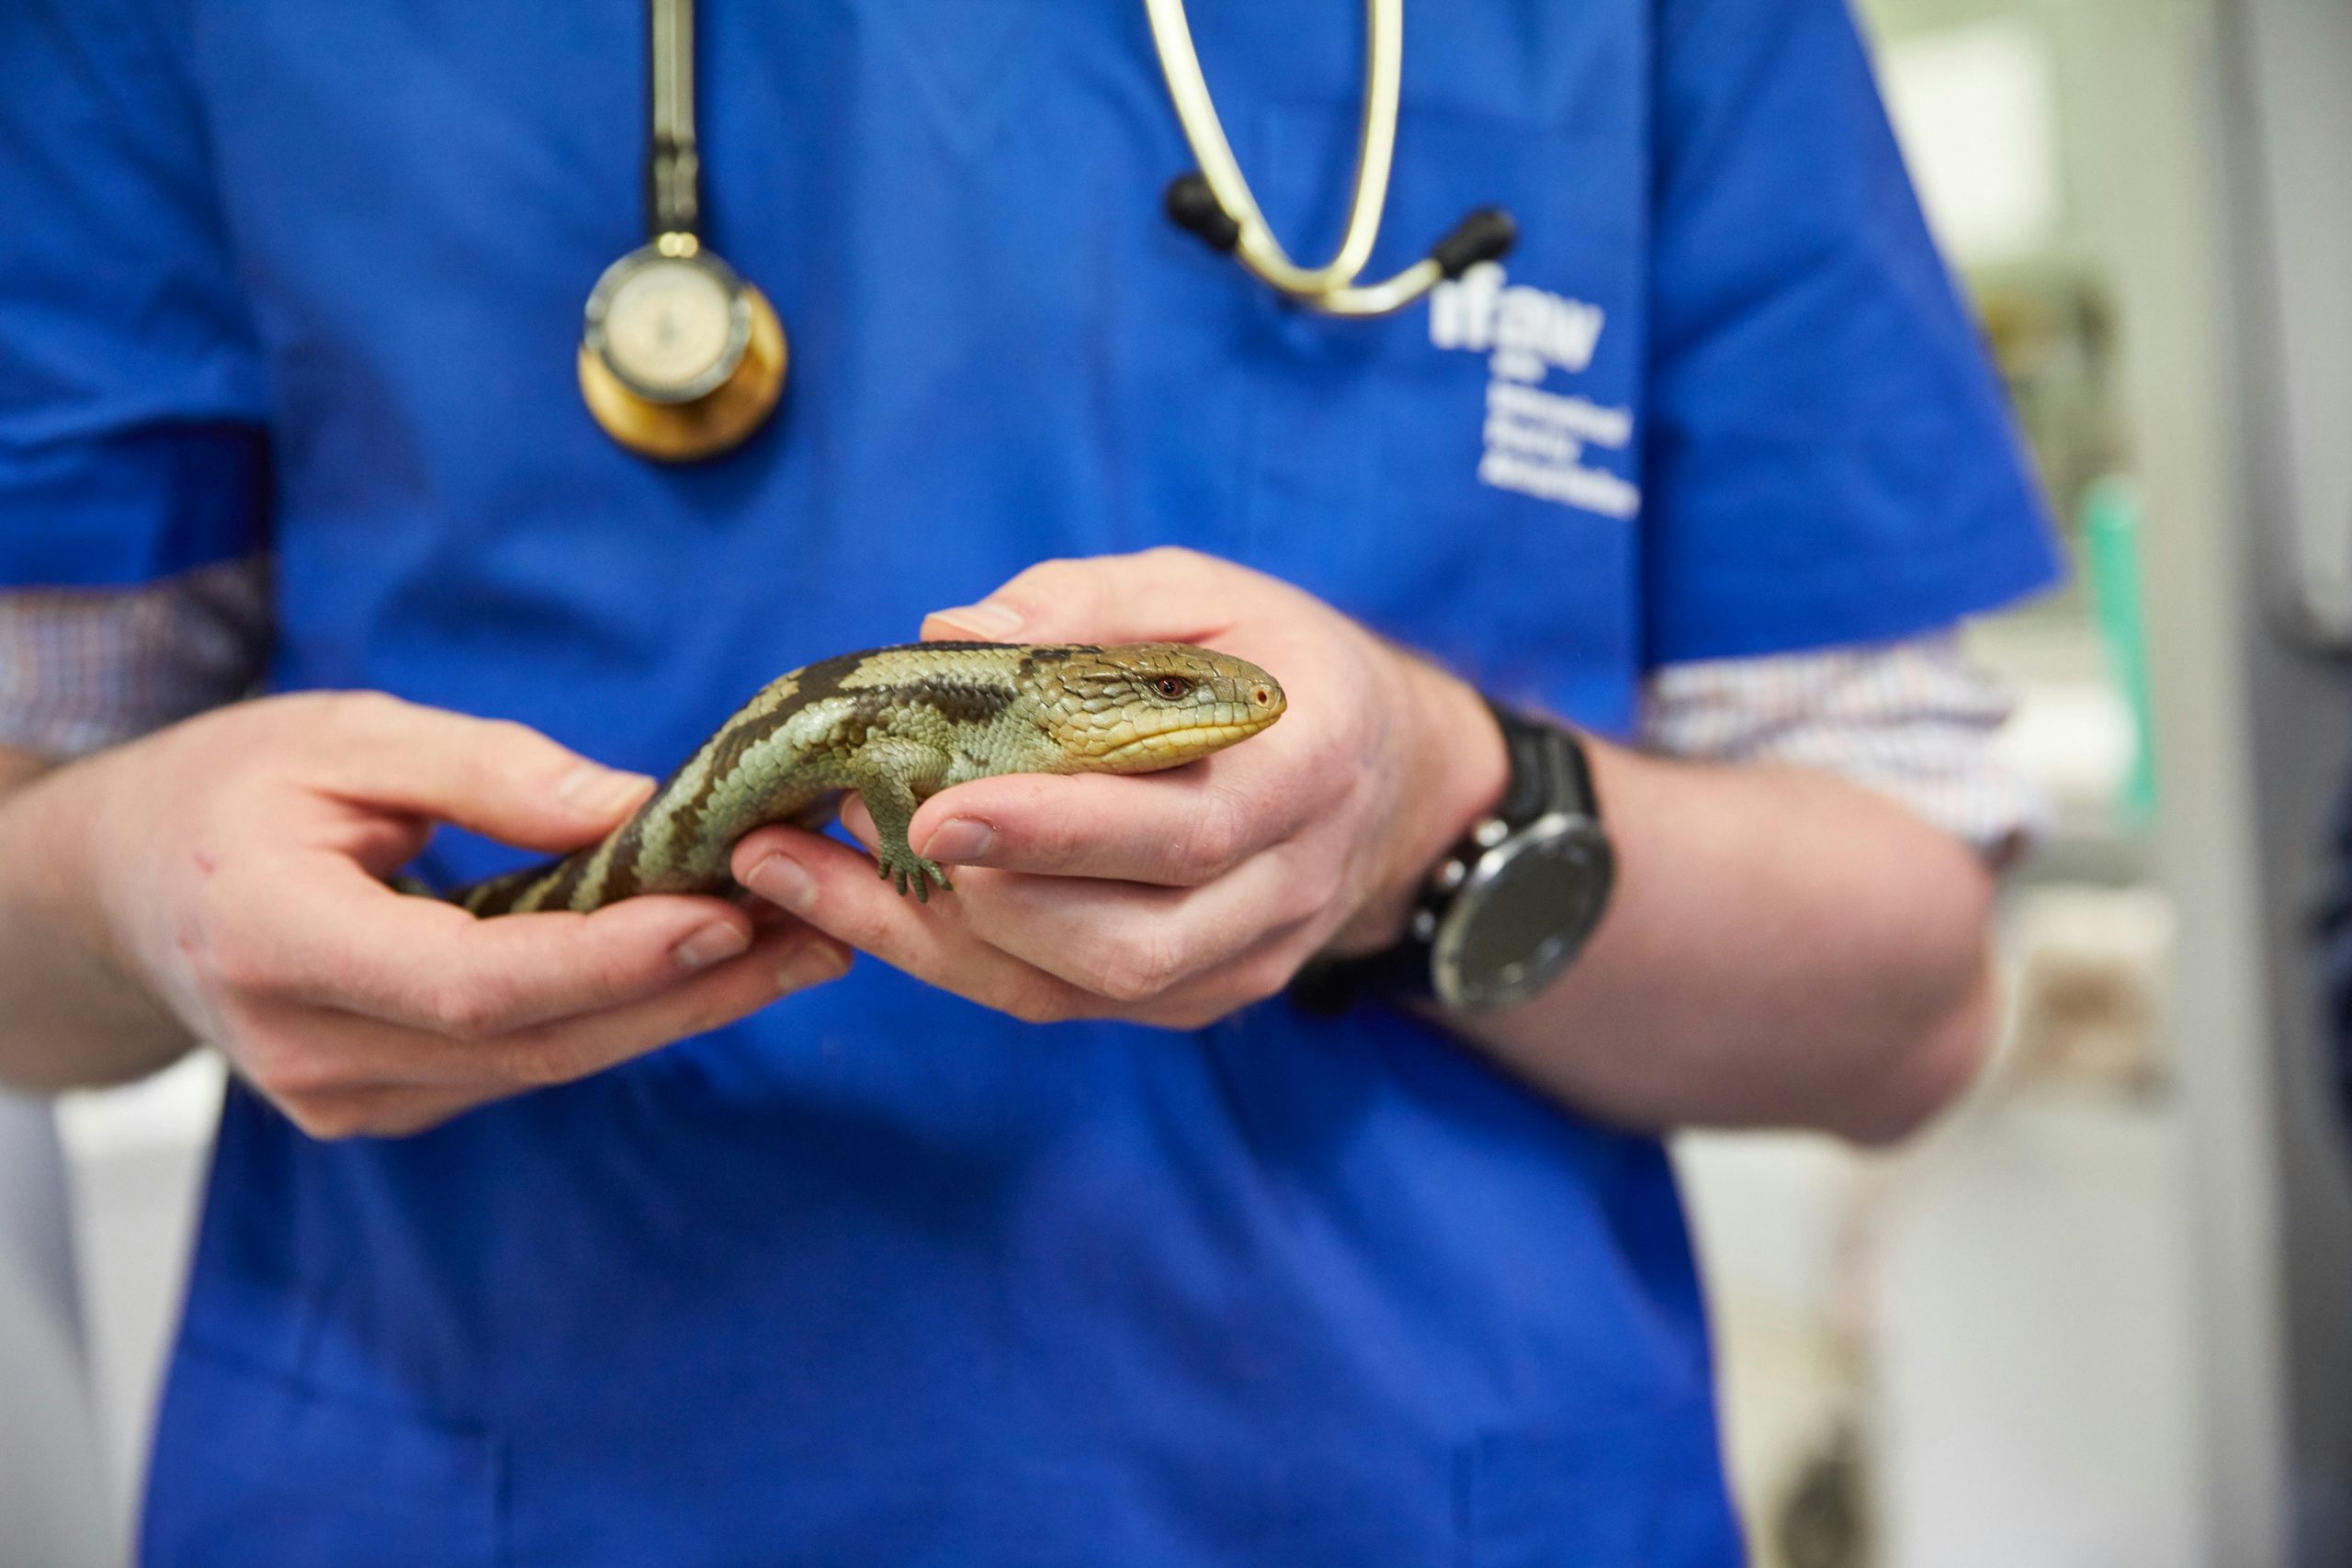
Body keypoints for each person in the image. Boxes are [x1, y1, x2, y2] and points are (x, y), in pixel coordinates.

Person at [0, 0, 2054, 1561]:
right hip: (475, 1478)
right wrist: (109, 883)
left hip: (1406, 1490)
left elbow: (1910, 1003)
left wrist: (1425, 802)